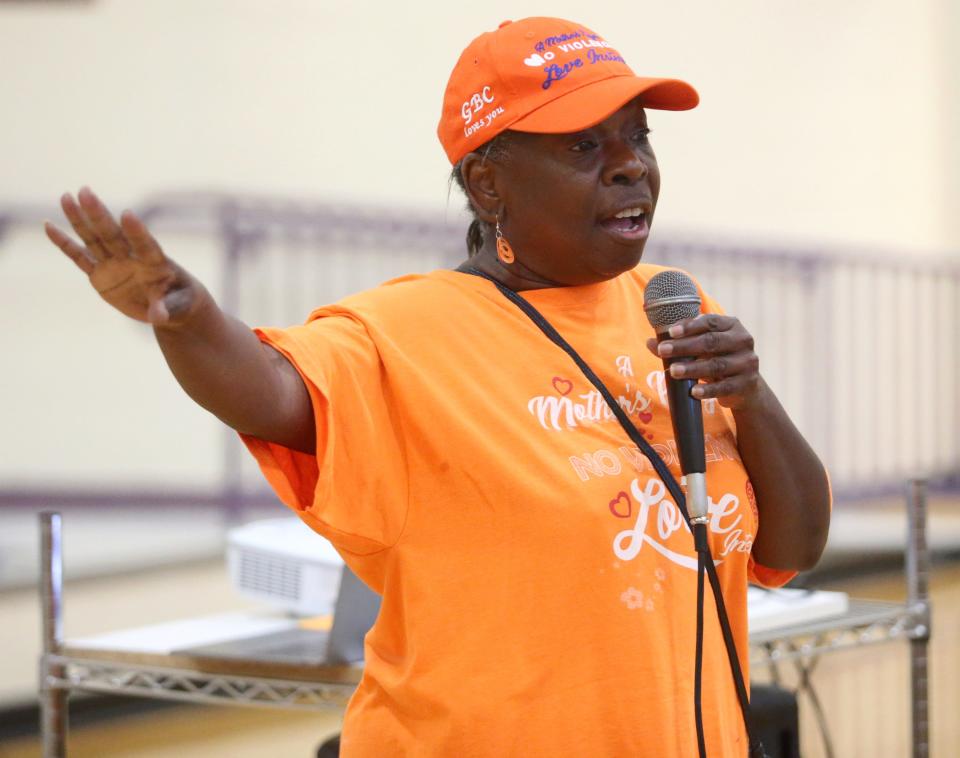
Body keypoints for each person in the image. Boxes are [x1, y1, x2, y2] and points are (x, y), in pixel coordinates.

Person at [44, 16, 831, 758]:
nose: (630, 165)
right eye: (583, 146)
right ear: (488, 186)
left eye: (637, 138)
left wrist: (751, 394)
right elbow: (270, 391)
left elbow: (793, 546)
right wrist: (188, 321)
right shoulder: (403, 333)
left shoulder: (677, 308)